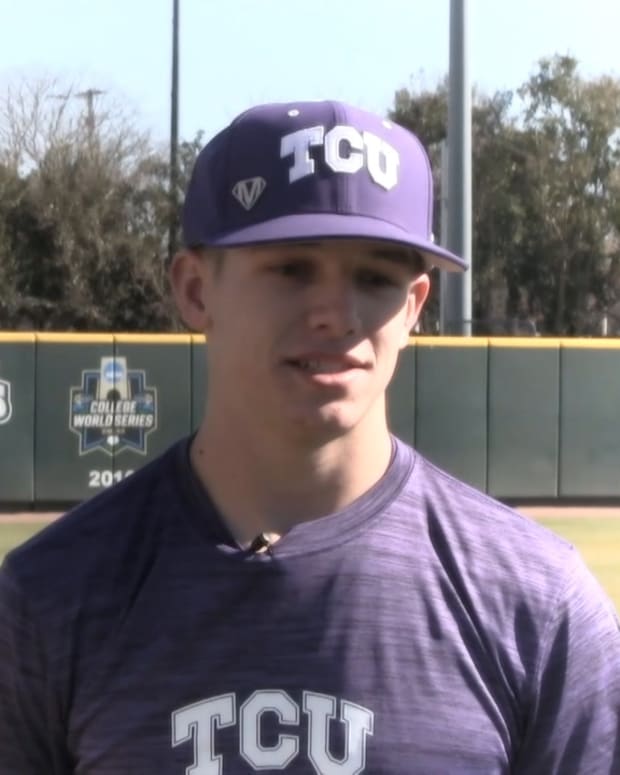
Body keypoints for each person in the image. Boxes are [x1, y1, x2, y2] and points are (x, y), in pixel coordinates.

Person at [0, 100, 618, 775]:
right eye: (292, 267)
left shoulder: (537, 602)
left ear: (413, 306)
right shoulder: (51, 595)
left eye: (375, 277)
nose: (337, 313)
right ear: (196, 289)